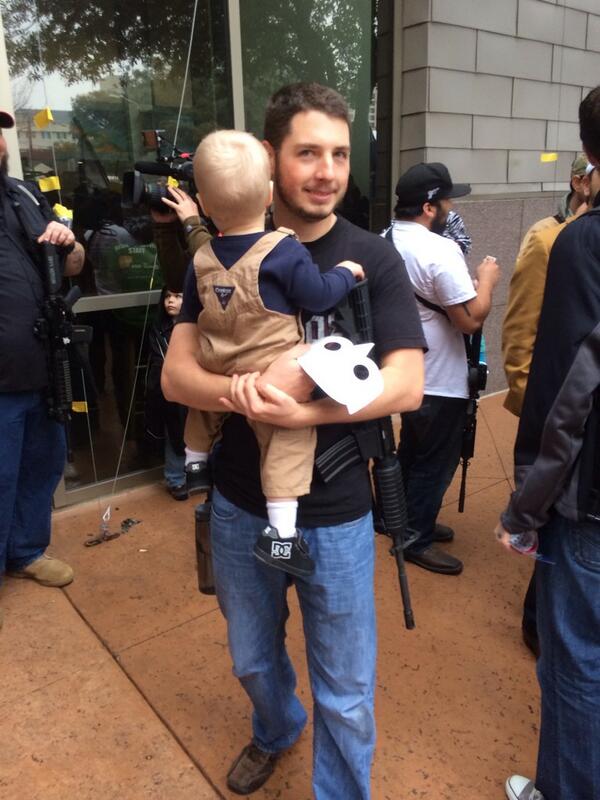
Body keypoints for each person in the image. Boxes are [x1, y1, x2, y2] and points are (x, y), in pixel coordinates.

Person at [163, 82, 426, 798]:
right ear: (269, 157)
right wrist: (247, 393)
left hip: (336, 511)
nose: (327, 171)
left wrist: (303, 416)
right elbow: (176, 377)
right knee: (251, 658)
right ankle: (277, 727)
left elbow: (406, 385)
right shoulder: (220, 254)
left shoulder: (371, 256)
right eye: (308, 153)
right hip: (239, 502)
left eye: (339, 154)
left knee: (346, 690)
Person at [182, 129, 365, 577]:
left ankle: (194, 461)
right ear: (268, 195)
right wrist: (346, 273)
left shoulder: (201, 258)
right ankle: (282, 534)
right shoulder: (283, 250)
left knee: (203, 407)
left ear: (203, 204)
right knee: (286, 440)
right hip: (269, 370)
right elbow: (318, 295)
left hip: (216, 361)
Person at [498, 87, 600, 800]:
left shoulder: (584, 244)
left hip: (589, 503)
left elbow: (568, 389)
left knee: (575, 667)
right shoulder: (557, 237)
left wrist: (524, 505)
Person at [385, 162, 501, 575]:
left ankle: (395, 520)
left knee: (410, 450)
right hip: (441, 377)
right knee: (435, 460)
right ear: (429, 207)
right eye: (448, 201)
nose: (452, 208)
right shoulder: (439, 249)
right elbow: (469, 319)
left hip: (402, 371)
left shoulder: (385, 239)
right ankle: (415, 537)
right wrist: (487, 280)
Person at [502, 161, 592, 658]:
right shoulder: (549, 237)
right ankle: (537, 624)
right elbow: (520, 331)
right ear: (581, 179)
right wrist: (529, 404)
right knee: (553, 515)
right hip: (556, 408)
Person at [0, 110, 85, 630]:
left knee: (42, 465)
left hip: (43, 367)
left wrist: (69, 244)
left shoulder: (25, 195)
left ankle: (26, 551)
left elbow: (75, 264)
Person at [144, 286, 188, 500]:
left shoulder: (195, 326)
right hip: (169, 390)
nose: (171, 301)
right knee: (174, 432)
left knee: (196, 431)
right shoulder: (158, 327)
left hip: (194, 389)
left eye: (177, 296)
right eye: (168, 296)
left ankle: (198, 474)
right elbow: (162, 360)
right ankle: (176, 478)